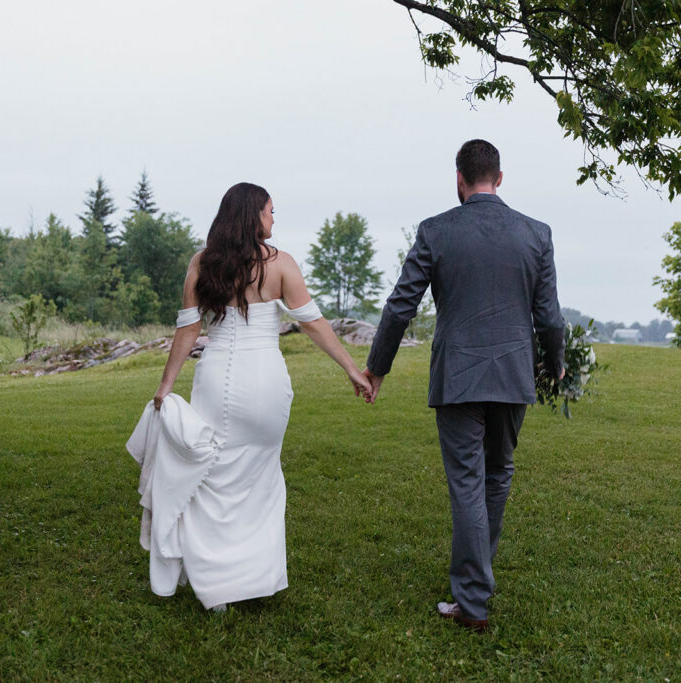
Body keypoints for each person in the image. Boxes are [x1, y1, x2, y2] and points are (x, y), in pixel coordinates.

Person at [129, 182, 371, 612]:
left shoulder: (203, 264)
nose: (274, 219)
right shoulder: (281, 265)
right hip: (266, 382)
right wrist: (352, 368)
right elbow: (313, 323)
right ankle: (251, 580)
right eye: (271, 211)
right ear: (253, 216)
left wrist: (166, 386)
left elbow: (188, 330)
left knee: (215, 477)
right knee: (260, 478)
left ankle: (215, 585)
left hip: (218, 378)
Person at [363, 140, 565, 632]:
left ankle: (472, 599)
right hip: (513, 376)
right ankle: (476, 584)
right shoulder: (536, 234)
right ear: (499, 178)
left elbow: (399, 305)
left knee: (471, 483)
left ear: (459, 178)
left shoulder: (436, 231)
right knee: (496, 475)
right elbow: (550, 317)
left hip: (459, 377)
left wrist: (378, 367)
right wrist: (556, 364)